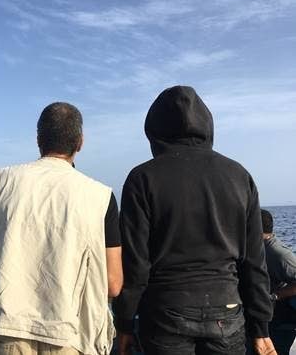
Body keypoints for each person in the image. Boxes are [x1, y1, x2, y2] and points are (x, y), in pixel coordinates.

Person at [112, 86, 275, 355]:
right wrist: (261, 327)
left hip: (165, 312)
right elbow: (255, 262)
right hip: (228, 311)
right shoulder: (239, 176)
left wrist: (125, 323)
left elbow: (135, 264)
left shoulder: (142, 179)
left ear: (154, 130)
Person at [0, 102, 123, 354]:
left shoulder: (0, 182)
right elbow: (113, 284)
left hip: (7, 331)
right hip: (71, 337)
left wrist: (7, 285)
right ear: (80, 142)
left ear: (38, 140)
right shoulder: (101, 196)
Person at [261, 209, 296, 354]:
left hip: (281, 322)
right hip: (266, 319)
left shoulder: (279, 254)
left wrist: (274, 296)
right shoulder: (259, 250)